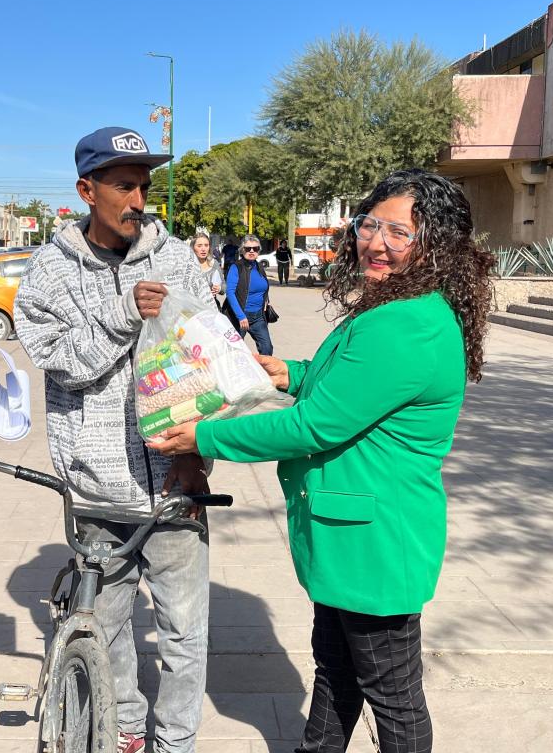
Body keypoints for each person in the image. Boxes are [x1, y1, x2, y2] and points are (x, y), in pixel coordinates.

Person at [148, 170, 496, 753]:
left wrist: (203, 438)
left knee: (393, 698)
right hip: (351, 538)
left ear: (436, 245)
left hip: (375, 541)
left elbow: (317, 425)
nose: (376, 242)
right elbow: (356, 389)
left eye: (399, 232)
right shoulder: (397, 306)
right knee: (337, 675)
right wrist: (292, 371)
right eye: (370, 225)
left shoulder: (406, 322)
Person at [14, 126, 215, 753]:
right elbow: (60, 360)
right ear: (86, 190)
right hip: (98, 490)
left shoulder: (177, 258)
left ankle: (174, 741)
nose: (137, 199)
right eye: (123, 186)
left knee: (185, 634)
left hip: (175, 481)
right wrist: (124, 313)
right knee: (109, 627)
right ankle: (125, 725)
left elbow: (202, 362)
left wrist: (195, 456)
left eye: (144, 186)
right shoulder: (49, 272)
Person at [223, 234, 274, 355]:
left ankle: (263, 373)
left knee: (267, 349)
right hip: (239, 317)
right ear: (242, 250)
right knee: (234, 351)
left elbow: (263, 287)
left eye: (255, 248)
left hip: (258, 317)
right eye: (248, 248)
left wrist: (266, 300)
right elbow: (230, 292)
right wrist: (241, 316)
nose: (252, 251)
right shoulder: (236, 267)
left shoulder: (259, 266)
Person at [190, 231, 222, 298]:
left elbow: (224, 286)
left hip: (211, 306)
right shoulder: (187, 264)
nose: (203, 249)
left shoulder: (214, 263)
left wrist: (219, 288)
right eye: (199, 246)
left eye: (206, 245)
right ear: (193, 247)